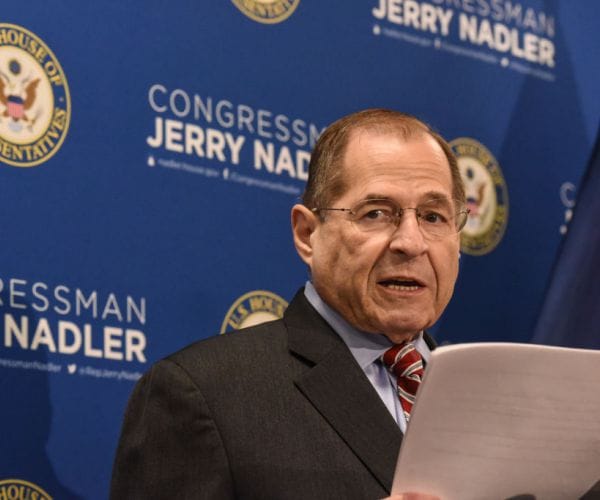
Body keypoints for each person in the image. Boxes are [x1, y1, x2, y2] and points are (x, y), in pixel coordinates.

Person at [110, 108, 467, 499]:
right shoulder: (202, 393)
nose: (411, 242)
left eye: (434, 217)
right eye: (376, 213)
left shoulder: (487, 402)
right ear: (307, 234)